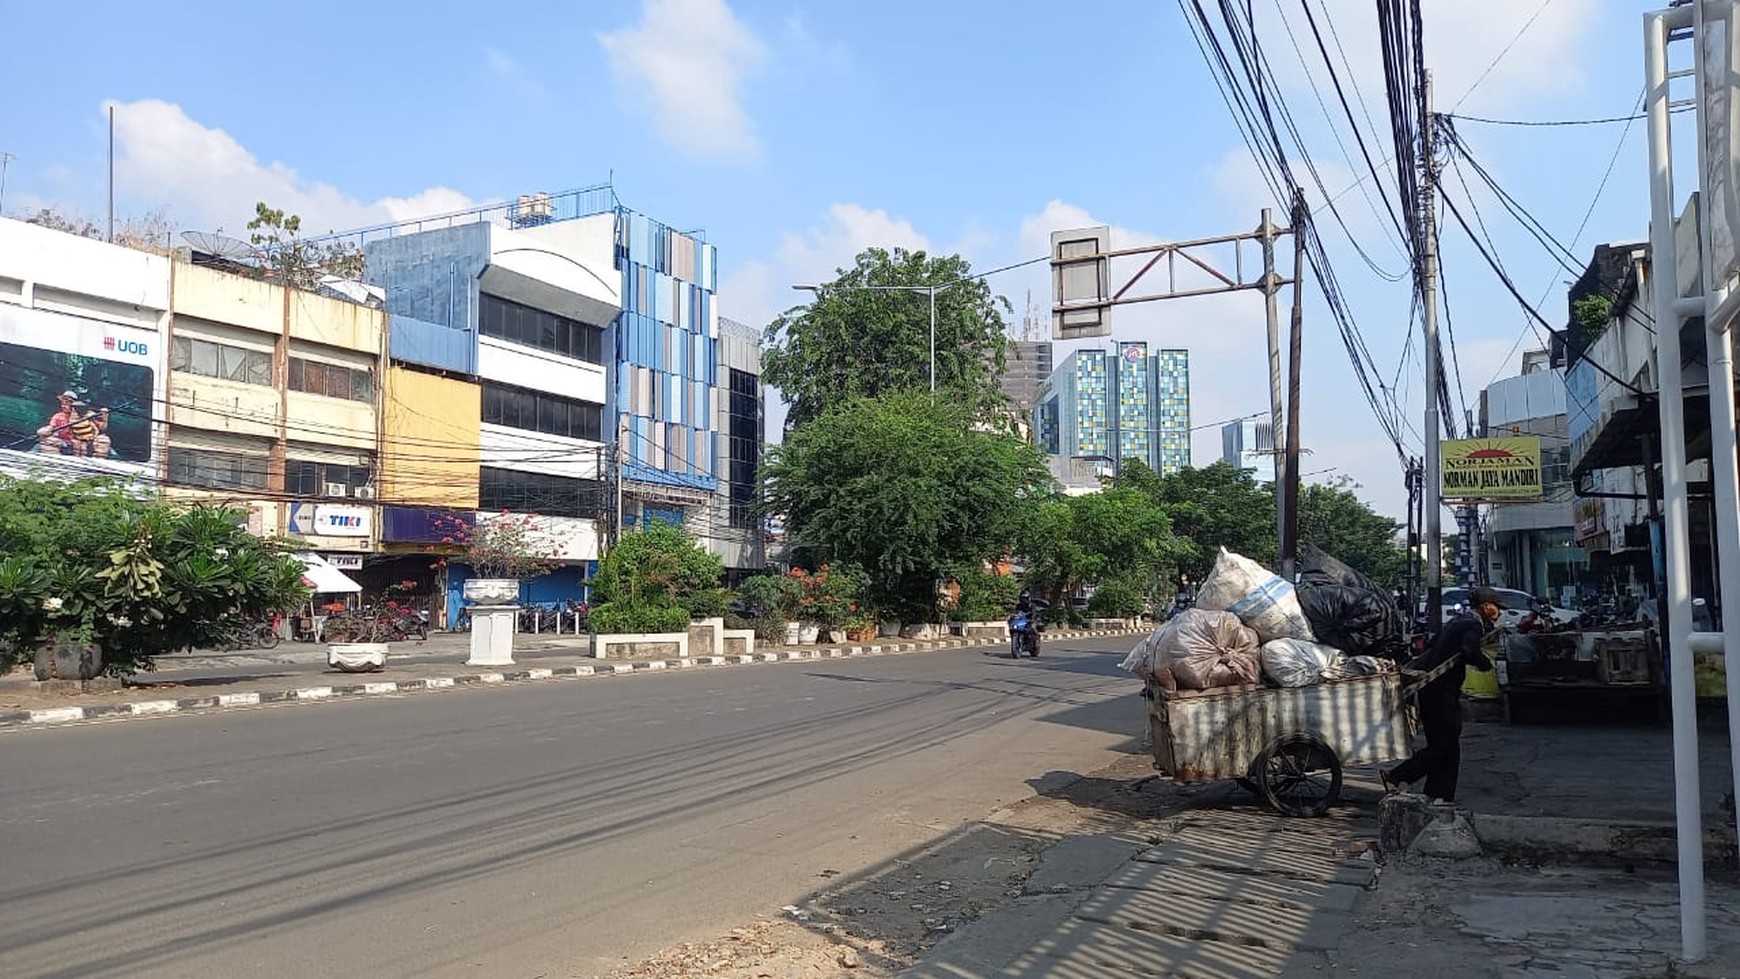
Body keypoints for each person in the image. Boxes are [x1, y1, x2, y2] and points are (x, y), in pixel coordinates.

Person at [1381, 584, 1501, 803]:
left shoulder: (1459, 621)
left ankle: (1439, 795)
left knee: (1449, 747)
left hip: (1436, 691)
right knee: (1443, 746)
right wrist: (1485, 664)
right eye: (1496, 607)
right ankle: (1398, 775)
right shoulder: (1471, 625)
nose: (1499, 612)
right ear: (1485, 607)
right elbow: (1469, 650)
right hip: (1439, 693)